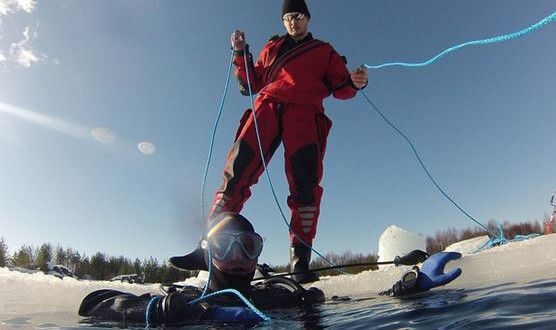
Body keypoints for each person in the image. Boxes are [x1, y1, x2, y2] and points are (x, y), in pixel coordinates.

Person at [206, 0, 369, 284]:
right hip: (266, 108)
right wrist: (239, 52)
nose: (293, 22)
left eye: (298, 16)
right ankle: (212, 245)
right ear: (283, 22)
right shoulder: (271, 48)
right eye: (288, 18)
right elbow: (249, 85)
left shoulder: (323, 51)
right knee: (237, 173)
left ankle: (299, 261)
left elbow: (341, 88)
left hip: (304, 114)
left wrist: (356, 82)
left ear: (307, 18)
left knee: (305, 185)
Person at [78, 213, 462, 327]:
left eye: (250, 246)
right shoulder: (190, 301)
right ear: (207, 257)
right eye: (226, 247)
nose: (241, 257)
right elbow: (95, 303)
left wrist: (406, 289)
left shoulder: (277, 296)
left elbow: (346, 305)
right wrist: (165, 312)